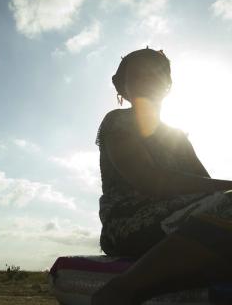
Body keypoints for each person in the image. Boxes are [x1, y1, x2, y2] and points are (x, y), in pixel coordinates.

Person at [91, 48, 232, 304]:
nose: (148, 80)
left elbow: (209, 189)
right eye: (138, 76)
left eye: (156, 75)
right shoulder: (119, 121)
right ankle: (122, 289)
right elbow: (149, 180)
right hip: (132, 222)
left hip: (187, 214)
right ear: (123, 88)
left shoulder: (177, 136)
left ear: (167, 85)